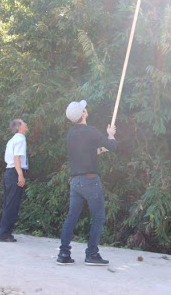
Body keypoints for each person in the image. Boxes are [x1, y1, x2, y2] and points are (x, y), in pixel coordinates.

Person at [57, 100, 117, 266]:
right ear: (83, 113)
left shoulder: (71, 134)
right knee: (98, 216)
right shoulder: (91, 131)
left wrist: (100, 150)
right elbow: (113, 146)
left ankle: (63, 254)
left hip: (76, 181)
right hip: (90, 180)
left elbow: (87, 153)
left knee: (72, 217)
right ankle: (92, 254)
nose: (86, 110)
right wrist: (110, 133)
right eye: (84, 109)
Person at [0, 119, 29, 242]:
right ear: (19, 127)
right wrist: (20, 175)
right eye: (24, 123)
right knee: (12, 204)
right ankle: (4, 234)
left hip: (9, 173)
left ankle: (4, 232)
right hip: (14, 172)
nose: (26, 124)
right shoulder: (20, 139)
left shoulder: (13, 139)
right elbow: (17, 158)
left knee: (8, 203)